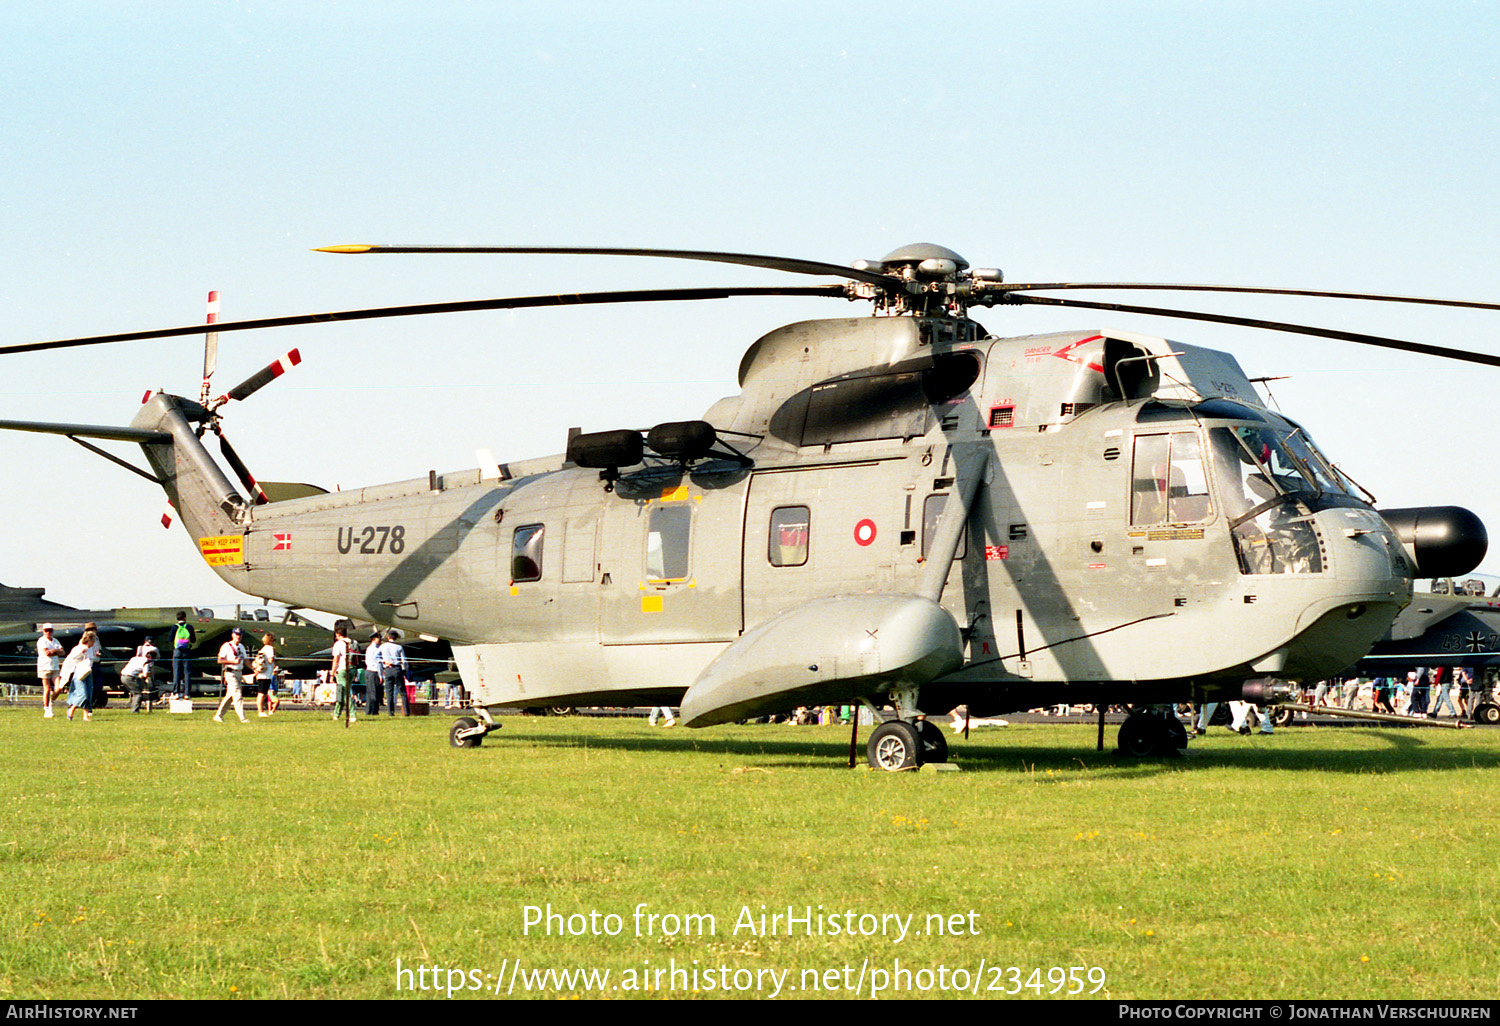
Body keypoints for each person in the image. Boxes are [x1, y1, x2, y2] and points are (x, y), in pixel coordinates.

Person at [59, 630, 98, 722]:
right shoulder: (79, 648)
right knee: (82, 694)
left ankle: (85, 716)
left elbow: (91, 659)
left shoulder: (91, 649)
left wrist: (96, 655)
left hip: (88, 672)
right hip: (80, 673)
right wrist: (81, 652)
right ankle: (71, 709)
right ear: (89, 640)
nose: (94, 643)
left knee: (88, 693)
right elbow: (71, 658)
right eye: (93, 640)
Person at [213, 627, 250, 724]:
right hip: (230, 672)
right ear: (232, 635)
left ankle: (218, 715)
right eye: (236, 634)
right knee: (237, 694)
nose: (238, 636)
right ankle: (243, 717)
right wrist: (232, 662)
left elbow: (246, 660)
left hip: (239, 672)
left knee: (230, 696)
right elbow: (219, 660)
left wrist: (254, 668)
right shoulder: (226, 646)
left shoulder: (241, 647)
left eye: (240, 634)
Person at [377, 631, 409, 717]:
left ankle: (390, 712)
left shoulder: (382, 646)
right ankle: (406, 711)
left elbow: (376, 657)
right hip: (397, 668)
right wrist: (405, 670)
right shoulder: (399, 647)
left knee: (389, 691)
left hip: (388, 669)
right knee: (402, 691)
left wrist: (384, 662)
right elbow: (404, 661)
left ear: (388, 637)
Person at [121, 640, 158, 712]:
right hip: (130, 677)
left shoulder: (135, 658)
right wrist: (150, 673)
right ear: (151, 658)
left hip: (123, 676)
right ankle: (134, 711)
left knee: (133, 692)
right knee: (138, 694)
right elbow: (145, 674)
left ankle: (132, 707)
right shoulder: (146, 662)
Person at [330, 624, 355, 725]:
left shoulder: (338, 644)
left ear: (338, 634)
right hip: (352, 669)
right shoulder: (353, 642)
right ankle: (336, 713)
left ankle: (352, 714)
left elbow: (336, 659)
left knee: (344, 693)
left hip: (342, 669)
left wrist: (332, 673)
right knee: (342, 691)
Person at [36, 624, 63, 719]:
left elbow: (62, 652)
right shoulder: (42, 640)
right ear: (43, 631)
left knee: (59, 687)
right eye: (46, 630)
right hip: (44, 667)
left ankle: (51, 701)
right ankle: (47, 709)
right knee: (47, 688)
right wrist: (56, 651)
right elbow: (47, 653)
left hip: (55, 667)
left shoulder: (55, 641)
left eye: (50, 630)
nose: (48, 632)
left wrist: (54, 651)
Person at [170, 610, 196, 701]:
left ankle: (176, 692)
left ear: (177, 618)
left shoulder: (174, 627)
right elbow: (193, 640)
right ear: (185, 618)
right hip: (187, 651)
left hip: (177, 651)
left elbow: (170, 639)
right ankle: (187, 693)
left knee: (176, 672)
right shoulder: (189, 627)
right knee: (187, 672)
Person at [253, 632, 278, 717]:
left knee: (261, 693)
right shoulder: (270, 648)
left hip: (261, 673)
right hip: (266, 674)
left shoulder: (263, 648)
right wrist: (274, 658)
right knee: (262, 694)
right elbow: (271, 660)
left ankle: (261, 710)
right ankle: (261, 711)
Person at [364, 631, 383, 716]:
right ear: (374, 639)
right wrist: (380, 675)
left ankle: (368, 710)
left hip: (368, 671)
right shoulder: (376, 649)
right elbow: (378, 663)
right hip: (374, 671)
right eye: (379, 639)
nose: (380, 641)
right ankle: (374, 710)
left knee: (369, 692)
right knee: (374, 692)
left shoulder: (369, 648)